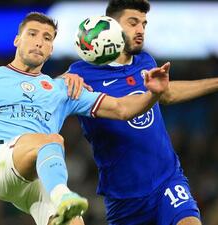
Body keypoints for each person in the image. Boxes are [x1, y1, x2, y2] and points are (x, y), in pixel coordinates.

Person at [0, 12, 170, 225]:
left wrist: (153, 94)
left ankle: (61, 200)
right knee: (49, 140)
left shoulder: (63, 89)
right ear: (17, 40)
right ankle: (62, 195)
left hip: (40, 180)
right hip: (1, 164)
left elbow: (121, 108)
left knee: (73, 220)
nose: (39, 41)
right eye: (32, 34)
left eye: (47, 38)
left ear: (51, 50)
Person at [68, 0, 218, 225]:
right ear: (111, 27)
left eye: (144, 24)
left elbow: (166, 93)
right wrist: (63, 81)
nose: (140, 30)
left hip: (167, 180)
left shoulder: (145, 61)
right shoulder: (82, 74)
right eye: (133, 23)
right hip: (123, 197)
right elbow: (49, 92)